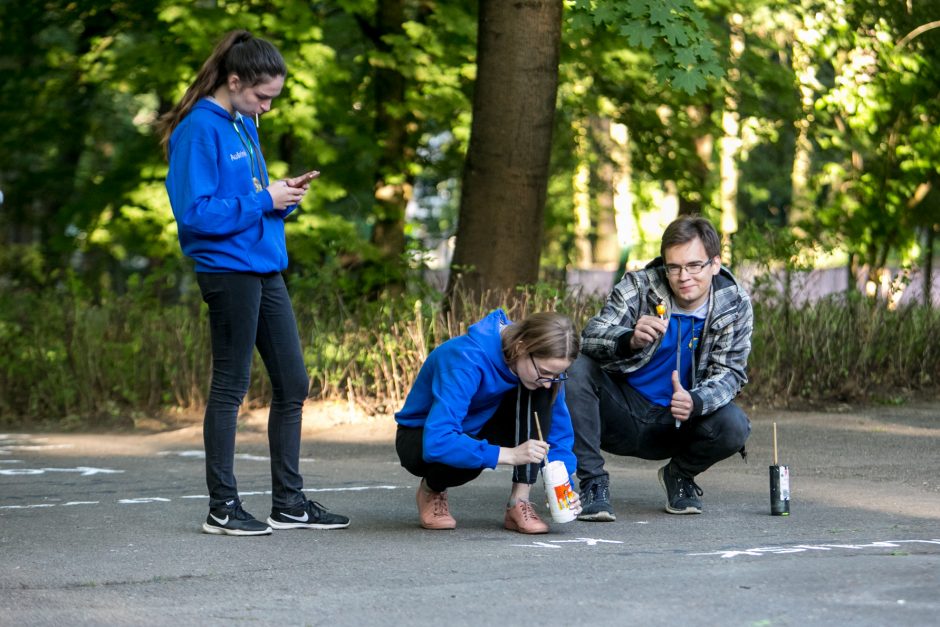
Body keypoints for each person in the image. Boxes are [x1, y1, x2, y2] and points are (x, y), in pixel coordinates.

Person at [158, 30, 349, 536]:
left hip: (265, 267)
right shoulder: (200, 128)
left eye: (273, 98)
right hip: (226, 271)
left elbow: (249, 198)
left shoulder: (245, 122)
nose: (267, 107)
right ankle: (222, 506)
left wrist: (281, 196)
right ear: (234, 80)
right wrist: (266, 200)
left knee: (293, 384)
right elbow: (195, 215)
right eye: (262, 96)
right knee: (230, 387)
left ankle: (288, 504)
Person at [566, 215, 752, 520]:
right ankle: (592, 484)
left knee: (734, 425)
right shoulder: (639, 285)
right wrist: (628, 339)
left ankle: (679, 475)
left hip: (679, 420)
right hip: (621, 412)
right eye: (674, 267)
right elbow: (589, 337)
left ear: (715, 264)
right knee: (576, 370)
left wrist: (696, 401)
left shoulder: (734, 303)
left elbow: (730, 374)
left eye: (694, 266)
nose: (683, 277)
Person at [395, 309, 582, 534]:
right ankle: (432, 488)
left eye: (556, 375)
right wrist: (509, 454)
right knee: (468, 460)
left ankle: (519, 502)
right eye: (545, 372)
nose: (549, 383)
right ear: (521, 346)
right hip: (422, 437)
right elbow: (438, 441)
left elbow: (558, 435)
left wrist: (564, 488)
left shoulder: (542, 375)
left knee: (537, 391)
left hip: (480, 427)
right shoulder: (465, 357)